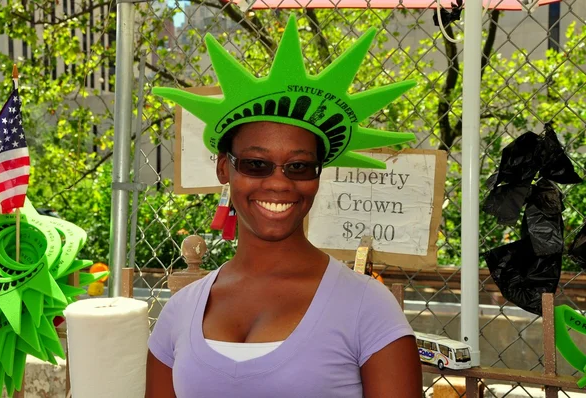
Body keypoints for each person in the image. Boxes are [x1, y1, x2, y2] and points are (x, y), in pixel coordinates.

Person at [146, 14, 423, 398]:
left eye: (299, 166)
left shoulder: (366, 307)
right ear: (225, 168)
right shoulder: (180, 312)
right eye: (256, 164)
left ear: (318, 175)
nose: (278, 182)